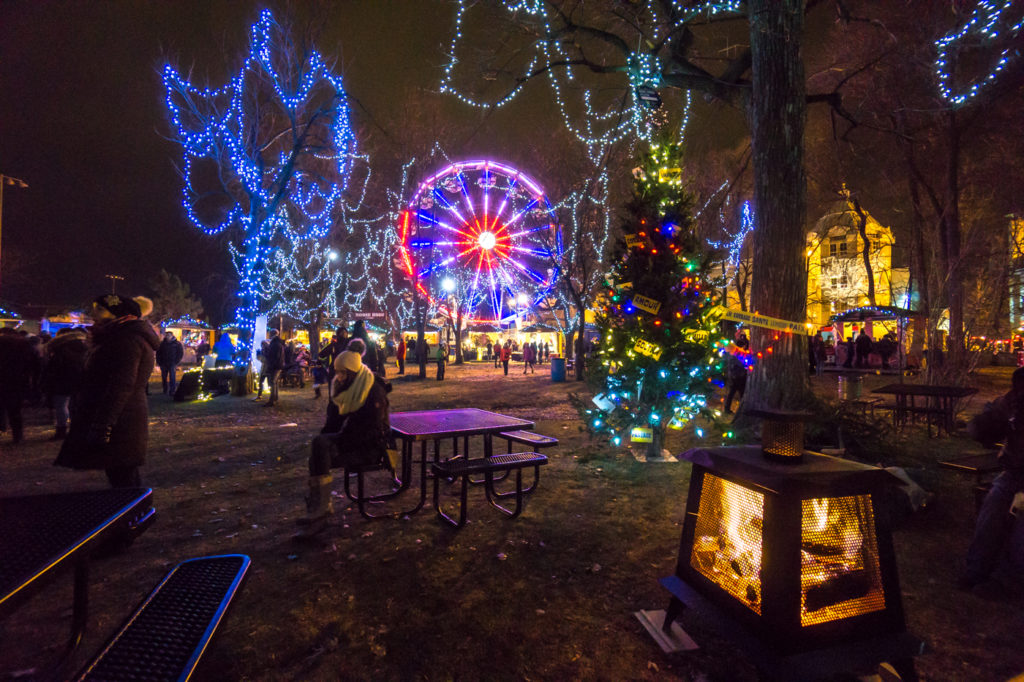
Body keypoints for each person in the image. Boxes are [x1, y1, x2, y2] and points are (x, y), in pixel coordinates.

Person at [55, 294, 159, 487]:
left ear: (118, 314)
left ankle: (136, 513)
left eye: (100, 310)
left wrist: (104, 424)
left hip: (121, 418)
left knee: (123, 474)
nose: (94, 315)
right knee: (121, 472)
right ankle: (137, 511)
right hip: (116, 414)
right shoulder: (116, 337)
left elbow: (122, 384)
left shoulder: (127, 340)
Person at [295, 350, 392, 537]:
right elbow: (333, 423)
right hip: (351, 440)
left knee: (322, 449)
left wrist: (338, 443)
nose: (338, 377)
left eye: (342, 373)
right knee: (319, 448)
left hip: (371, 447)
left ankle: (320, 511)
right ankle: (319, 508)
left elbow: (373, 430)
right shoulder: (344, 389)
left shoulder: (373, 391)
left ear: (353, 372)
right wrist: (328, 440)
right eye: (337, 372)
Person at [960, 367, 1024, 590]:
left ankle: (1008, 579)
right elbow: (995, 416)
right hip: (1015, 473)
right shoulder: (1016, 397)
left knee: (1020, 528)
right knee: (992, 509)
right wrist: (982, 426)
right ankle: (976, 570)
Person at [42, 327, 88, 440]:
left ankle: (62, 430)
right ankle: (76, 430)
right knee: (75, 406)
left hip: (62, 382)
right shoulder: (84, 348)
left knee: (61, 406)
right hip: (80, 381)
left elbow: (53, 368)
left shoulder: (60, 350)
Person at [0, 328, 39, 444]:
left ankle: (2, 427)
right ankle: (17, 435)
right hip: (17, 380)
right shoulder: (23, 344)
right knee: (15, 410)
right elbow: (35, 364)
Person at [156, 331, 184, 396]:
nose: (168, 336)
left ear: (172, 336)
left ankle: (172, 390)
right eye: (167, 335)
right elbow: (158, 353)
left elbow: (180, 353)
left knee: (172, 377)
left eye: (169, 335)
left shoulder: (177, 344)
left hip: (172, 363)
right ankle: (165, 390)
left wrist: (176, 361)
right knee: (164, 377)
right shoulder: (162, 344)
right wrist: (159, 362)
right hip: (164, 363)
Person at [264, 329, 286, 406]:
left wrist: (266, 352)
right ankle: (275, 397)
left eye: (270, 333)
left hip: (275, 365)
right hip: (279, 365)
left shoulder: (274, 344)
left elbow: (273, 356)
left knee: (272, 382)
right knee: (275, 382)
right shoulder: (279, 343)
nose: (269, 334)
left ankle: (271, 400)